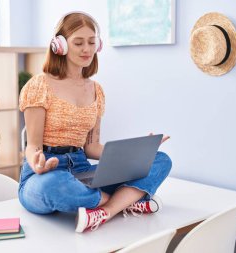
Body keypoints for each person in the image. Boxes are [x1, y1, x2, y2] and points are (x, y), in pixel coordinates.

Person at [18, 11, 172, 233]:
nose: (87, 49)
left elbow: (92, 147)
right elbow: (32, 147)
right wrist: (37, 162)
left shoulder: (96, 91)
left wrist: (138, 153)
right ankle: (124, 202)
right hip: (42, 176)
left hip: (82, 169)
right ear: (59, 45)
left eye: (92, 42)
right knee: (55, 185)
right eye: (78, 43)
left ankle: (105, 211)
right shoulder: (39, 86)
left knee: (160, 160)